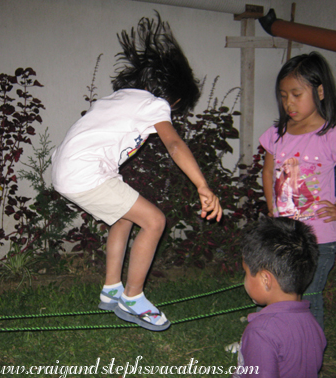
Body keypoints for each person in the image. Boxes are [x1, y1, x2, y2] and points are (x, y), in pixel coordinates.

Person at [51, 13, 222, 331]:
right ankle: (133, 297)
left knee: (125, 216)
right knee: (155, 221)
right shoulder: (155, 105)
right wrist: (202, 185)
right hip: (84, 172)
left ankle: (111, 289)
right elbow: (173, 144)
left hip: (66, 167)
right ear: (175, 98)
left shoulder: (119, 97)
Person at [259, 52, 336, 329]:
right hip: (286, 234)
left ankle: (308, 356)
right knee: (283, 294)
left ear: (319, 90)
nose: (289, 103)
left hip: (320, 239)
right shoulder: (277, 133)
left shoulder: (332, 134)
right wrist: (272, 208)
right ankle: (281, 338)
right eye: (283, 96)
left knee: (309, 297)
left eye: (296, 94)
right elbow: (268, 171)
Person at [233, 217, 326, 378]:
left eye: (246, 273)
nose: (245, 279)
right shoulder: (312, 324)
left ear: (265, 280)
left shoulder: (261, 332)